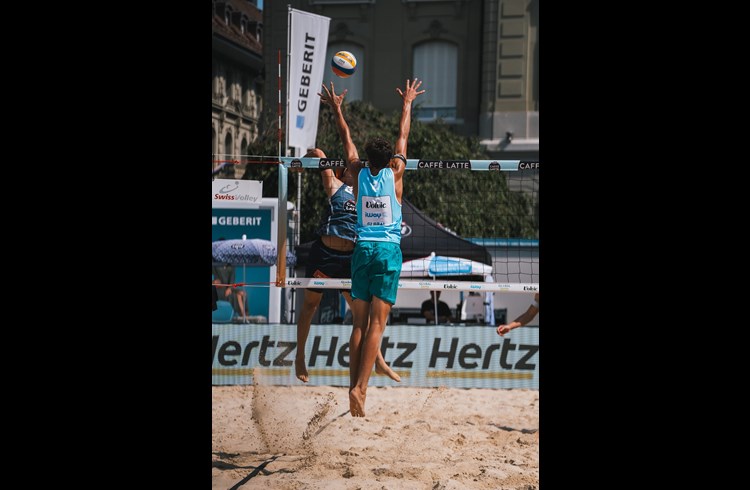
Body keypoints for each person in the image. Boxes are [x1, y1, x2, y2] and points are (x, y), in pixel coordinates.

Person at [319, 77, 425, 417]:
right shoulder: (396, 173)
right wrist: (407, 103)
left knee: (359, 326)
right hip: (387, 252)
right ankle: (362, 390)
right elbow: (403, 135)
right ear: (391, 159)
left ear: (367, 159)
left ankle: (353, 386)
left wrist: (337, 108)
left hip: (361, 251)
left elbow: (345, 136)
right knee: (378, 327)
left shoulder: (356, 172)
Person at [294, 147, 400, 384]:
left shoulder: (367, 189)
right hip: (324, 254)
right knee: (310, 306)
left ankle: (379, 362)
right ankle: (300, 356)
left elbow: (389, 172)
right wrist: (300, 163)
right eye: (353, 167)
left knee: (361, 315)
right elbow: (319, 153)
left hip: (349, 259)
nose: (358, 168)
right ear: (343, 172)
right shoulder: (335, 185)